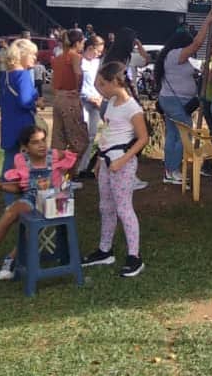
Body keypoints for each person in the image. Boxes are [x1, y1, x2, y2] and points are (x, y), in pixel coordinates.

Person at [0, 125, 78, 283]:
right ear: (25, 148)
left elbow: (71, 159)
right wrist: (2, 187)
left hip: (54, 198)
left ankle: (12, 257)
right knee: (11, 212)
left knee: (38, 216)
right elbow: (21, 186)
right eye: (35, 142)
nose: (42, 145)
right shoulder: (21, 160)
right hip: (31, 196)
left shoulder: (54, 155)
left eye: (43, 140)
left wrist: (67, 178)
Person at [81, 61, 150, 277]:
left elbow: (143, 138)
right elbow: (109, 131)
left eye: (102, 83)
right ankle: (105, 249)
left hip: (122, 163)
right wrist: (101, 159)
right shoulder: (111, 103)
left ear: (114, 82)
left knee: (123, 208)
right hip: (107, 162)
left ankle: (134, 256)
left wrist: (122, 160)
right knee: (106, 206)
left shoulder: (132, 108)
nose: (100, 87)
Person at [155, 9, 212, 185]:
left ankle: (170, 170)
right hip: (176, 102)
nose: (191, 51)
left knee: (174, 135)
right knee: (184, 134)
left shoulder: (170, 56)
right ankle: (172, 169)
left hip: (173, 101)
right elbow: (197, 44)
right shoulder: (176, 55)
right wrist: (207, 22)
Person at [0, 39, 42, 196]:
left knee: (10, 160)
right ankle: (27, 193)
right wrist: (35, 101)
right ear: (22, 55)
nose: (34, 58)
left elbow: (1, 101)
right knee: (26, 161)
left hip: (9, 123)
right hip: (23, 123)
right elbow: (25, 101)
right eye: (32, 54)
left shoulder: (6, 75)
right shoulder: (22, 75)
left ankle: (8, 194)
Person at [50, 30, 89, 159]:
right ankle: (69, 172)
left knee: (58, 139)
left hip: (58, 98)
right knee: (79, 140)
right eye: (82, 42)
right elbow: (78, 73)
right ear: (77, 43)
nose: (83, 45)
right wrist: (77, 90)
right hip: (70, 98)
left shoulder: (57, 59)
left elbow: (53, 82)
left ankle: (57, 173)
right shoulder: (75, 57)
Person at [79, 35, 104, 142]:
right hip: (82, 102)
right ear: (90, 48)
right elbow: (76, 84)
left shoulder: (98, 63)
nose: (99, 54)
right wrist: (89, 97)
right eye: (97, 51)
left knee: (92, 135)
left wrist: (100, 97)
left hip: (97, 103)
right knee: (81, 133)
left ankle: (87, 158)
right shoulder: (79, 62)